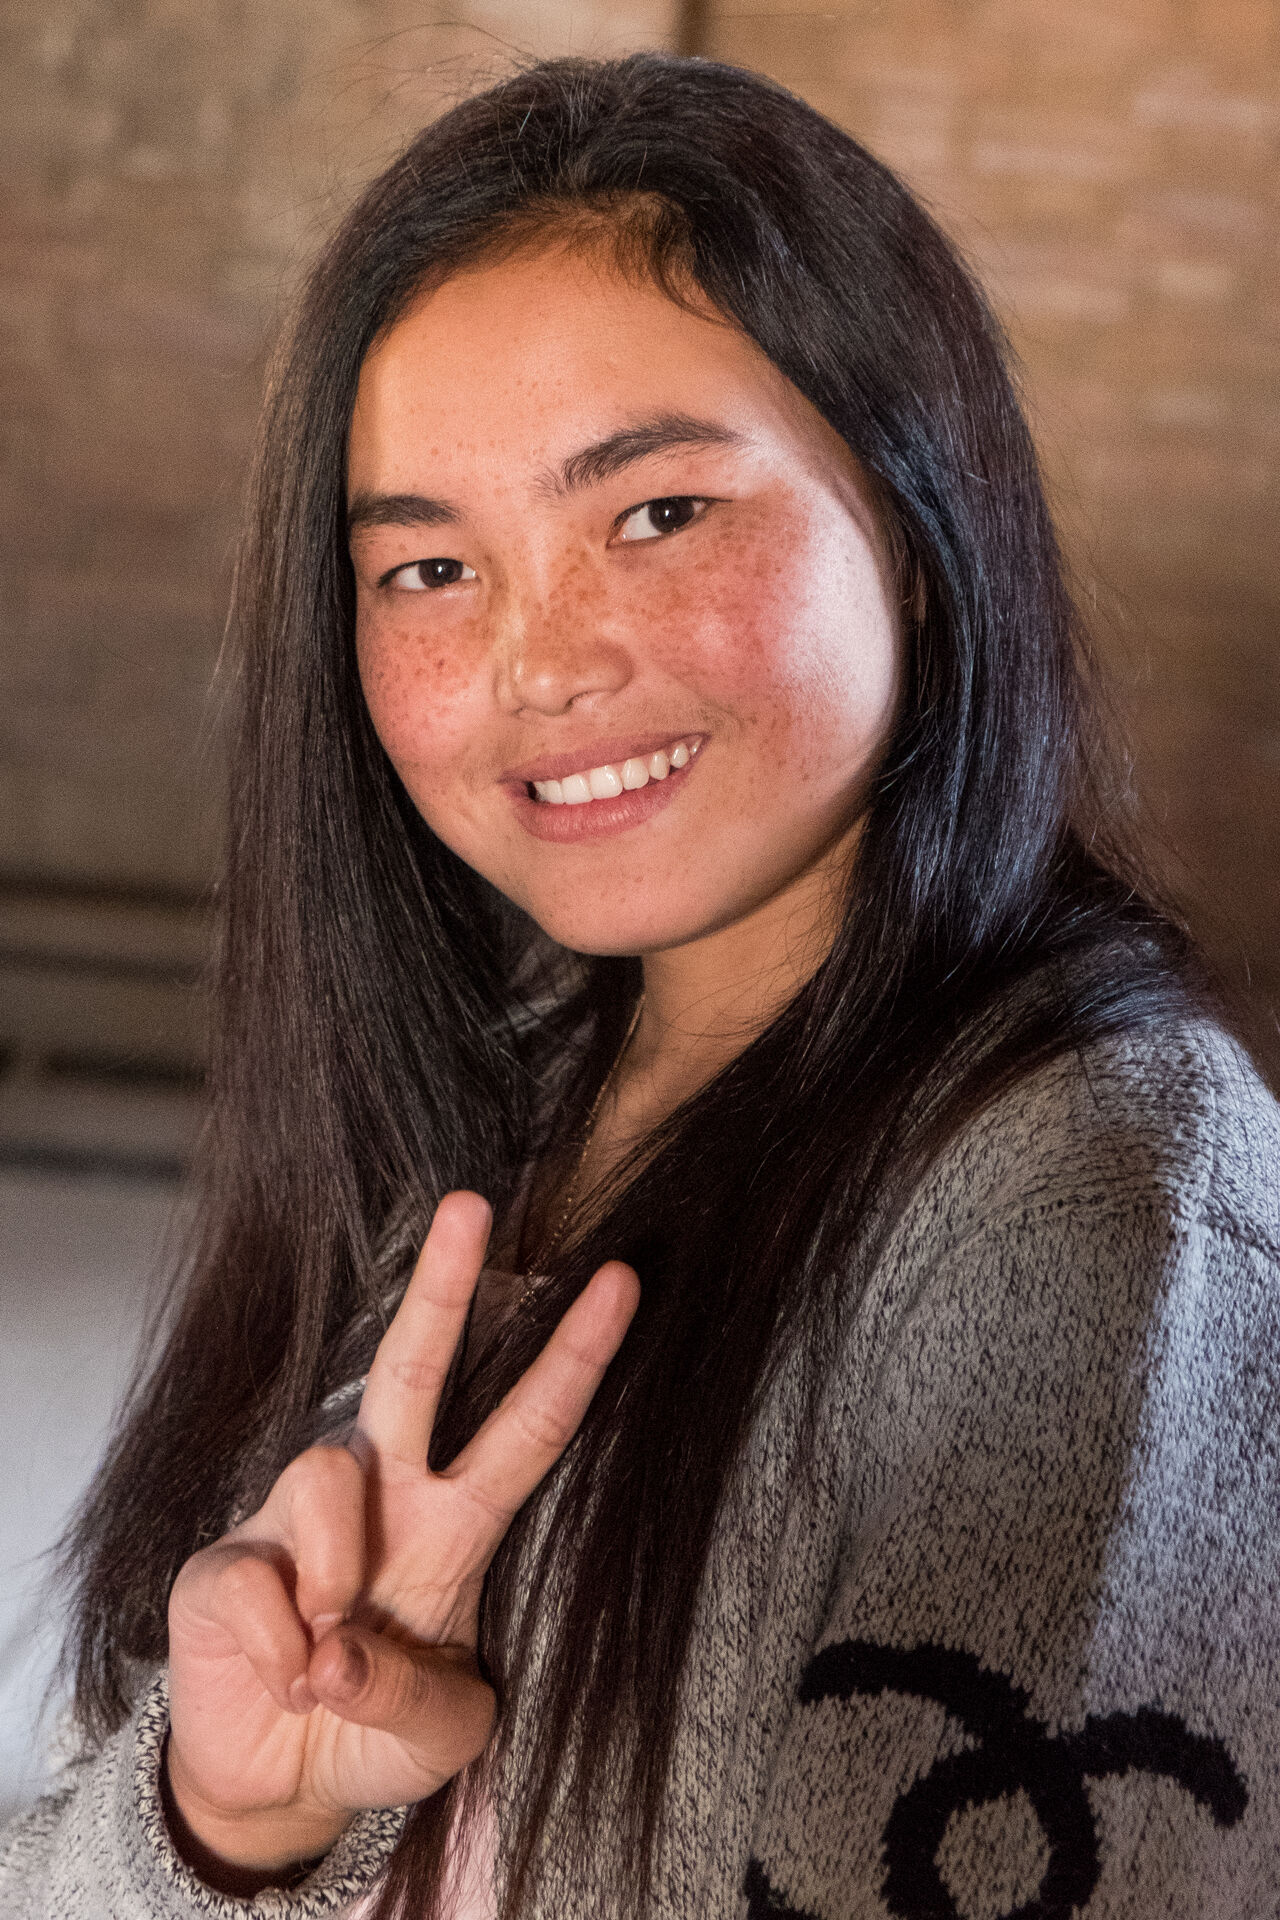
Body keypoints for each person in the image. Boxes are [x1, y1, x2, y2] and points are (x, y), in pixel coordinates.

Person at [2, 49, 1278, 1920]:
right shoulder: (473, 1090)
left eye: (659, 515)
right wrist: (227, 1820)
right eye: (429, 567)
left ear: (919, 530)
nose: (540, 664)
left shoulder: (1099, 1198)